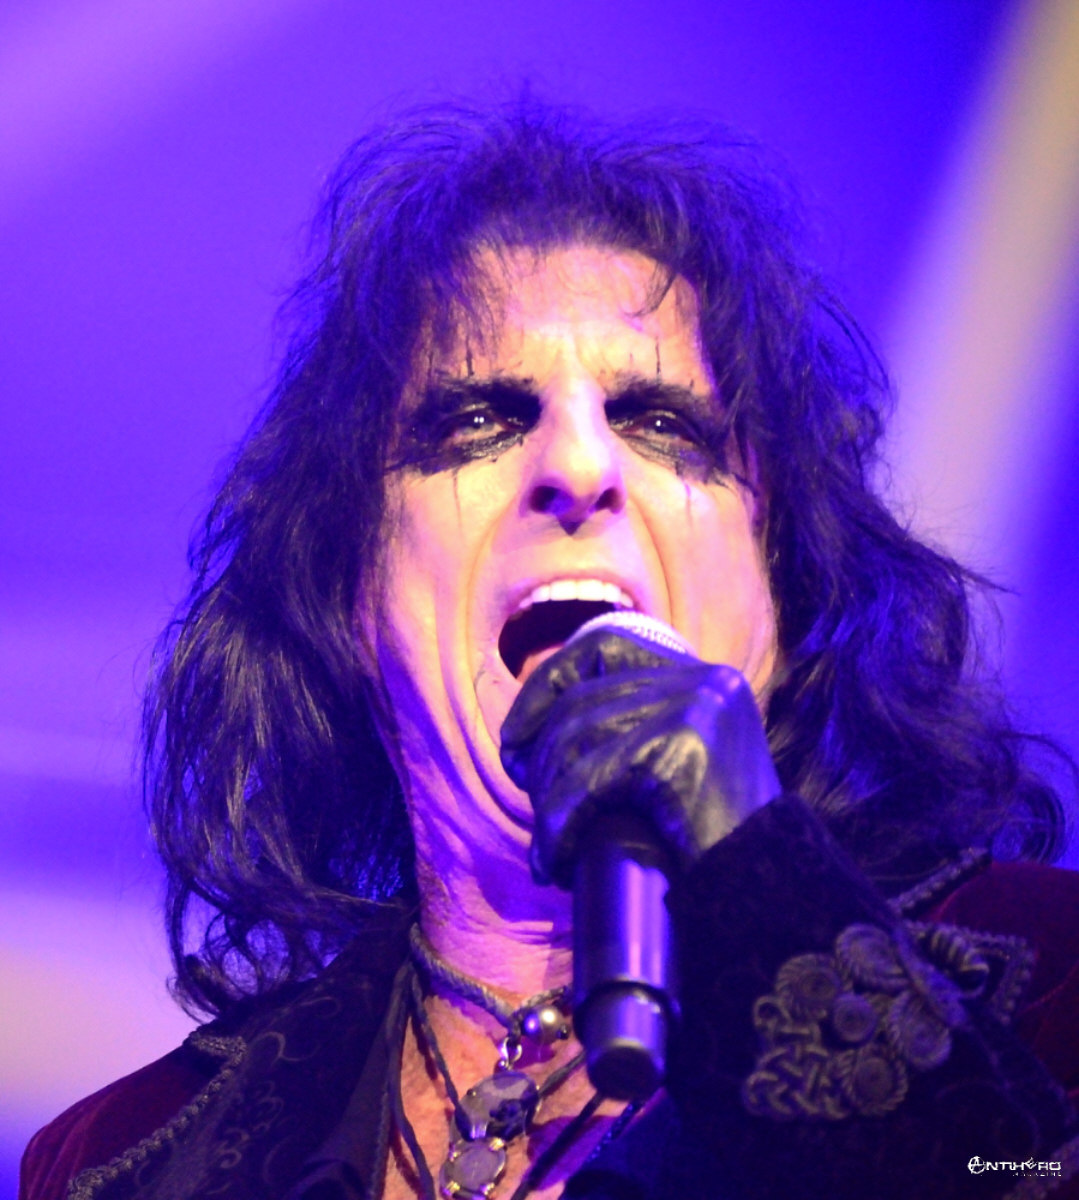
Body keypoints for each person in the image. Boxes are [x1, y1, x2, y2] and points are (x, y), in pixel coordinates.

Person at [19, 100, 1079, 1200]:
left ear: (784, 585)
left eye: (662, 422)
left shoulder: (1054, 988)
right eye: (477, 420)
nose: (577, 467)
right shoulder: (117, 1161)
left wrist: (759, 894)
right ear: (348, 592)